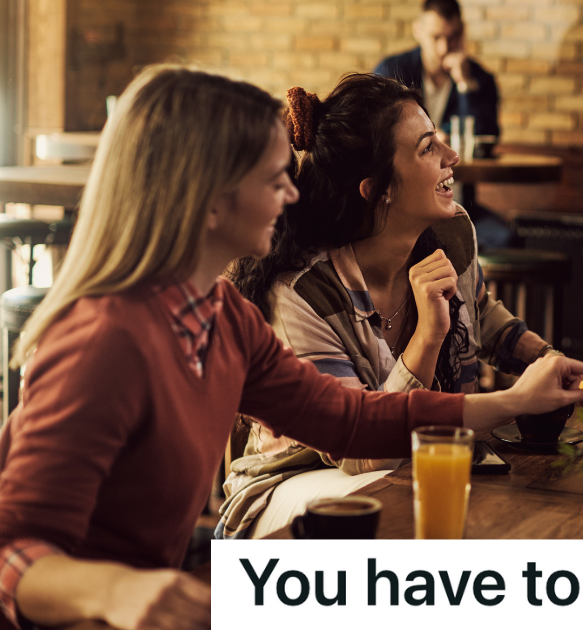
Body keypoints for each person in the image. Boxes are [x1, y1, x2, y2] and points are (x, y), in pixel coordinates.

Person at [0, 65, 583, 630]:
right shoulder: (102, 340)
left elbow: (349, 419)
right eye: (273, 180)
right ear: (209, 200)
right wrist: (114, 591)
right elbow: (13, 555)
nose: (292, 198)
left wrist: (513, 402)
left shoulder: (223, 319)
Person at [219, 73, 556, 538]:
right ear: (379, 188)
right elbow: (364, 452)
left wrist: (546, 359)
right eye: (427, 148)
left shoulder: (451, 234)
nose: (451, 157)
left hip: (413, 463)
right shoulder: (302, 296)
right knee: (400, 501)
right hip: (294, 485)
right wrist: (428, 337)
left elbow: (483, 315)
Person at [374, 0, 498, 141]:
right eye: (436, 37)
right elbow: (377, 131)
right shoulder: (391, 70)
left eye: (453, 37)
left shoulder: (481, 79)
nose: (444, 48)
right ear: (418, 30)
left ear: (463, 31)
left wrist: (465, 83)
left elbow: (486, 137)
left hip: (456, 163)